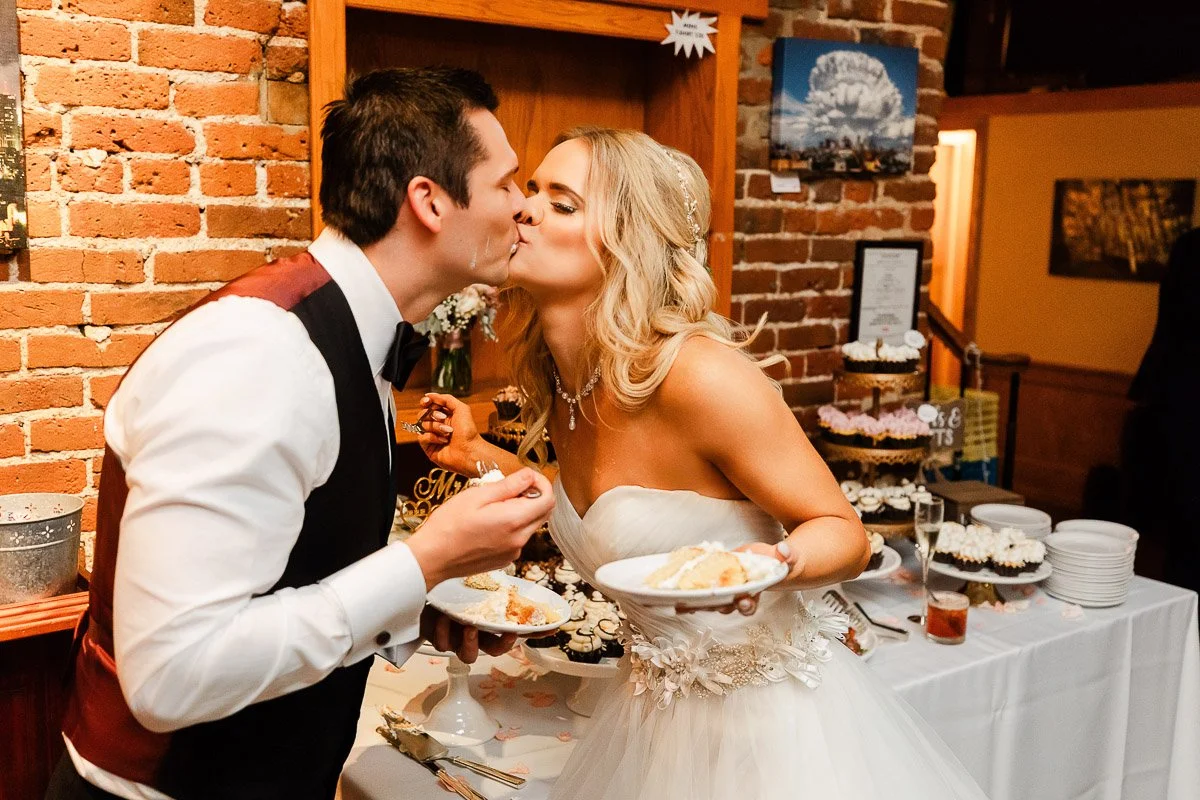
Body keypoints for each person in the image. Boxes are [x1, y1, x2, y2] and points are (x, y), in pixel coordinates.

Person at [419, 127, 990, 799]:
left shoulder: (697, 376)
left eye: (562, 202)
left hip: (763, 742)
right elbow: (606, 507)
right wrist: (478, 457)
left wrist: (769, 566)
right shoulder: (570, 379)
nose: (526, 209)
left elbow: (845, 533)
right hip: (651, 722)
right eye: (533, 190)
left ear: (626, 243)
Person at [47, 68, 554, 800]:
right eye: (508, 184)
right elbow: (170, 674)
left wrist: (416, 603)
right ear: (430, 201)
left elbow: (291, 569)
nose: (523, 209)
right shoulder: (263, 352)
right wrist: (419, 563)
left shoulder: (356, 334)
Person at [1123, 227, 1200, 595]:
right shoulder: (1192, 248)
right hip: (1184, 402)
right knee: (1186, 537)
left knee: (1183, 539)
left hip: (1175, 397)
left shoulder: (1189, 246)